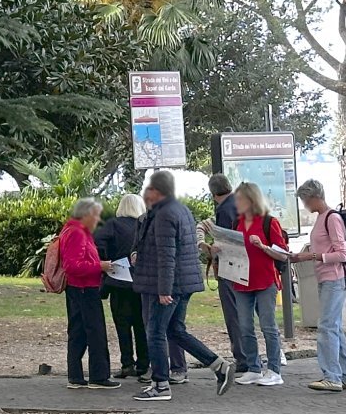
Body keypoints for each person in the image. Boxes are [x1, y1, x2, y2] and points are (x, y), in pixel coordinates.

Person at [133, 170, 235, 402]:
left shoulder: (164, 214)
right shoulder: (180, 210)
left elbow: (167, 254)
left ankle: (160, 384)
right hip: (184, 281)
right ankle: (218, 365)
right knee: (175, 330)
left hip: (169, 284)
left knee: (155, 332)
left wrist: (164, 289)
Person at [292, 180, 346, 392]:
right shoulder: (322, 218)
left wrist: (312, 256)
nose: (304, 205)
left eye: (305, 200)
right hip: (326, 278)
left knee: (327, 327)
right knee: (334, 327)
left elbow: (342, 254)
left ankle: (332, 376)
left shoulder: (332, 218)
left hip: (334, 279)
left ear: (313, 197)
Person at [231, 182, 288, 386]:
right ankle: (253, 368)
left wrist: (263, 246)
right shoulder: (237, 223)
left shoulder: (268, 222)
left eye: (240, 199)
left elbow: (283, 254)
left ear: (251, 200)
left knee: (268, 325)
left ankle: (274, 369)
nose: (236, 203)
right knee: (245, 326)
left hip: (265, 280)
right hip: (242, 280)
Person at [60, 198, 118, 389]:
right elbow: (72, 266)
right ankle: (98, 376)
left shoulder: (72, 230)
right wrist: (100, 266)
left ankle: (75, 376)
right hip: (85, 287)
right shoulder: (77, 233)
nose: (97, 219)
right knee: (95, 331)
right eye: (95, 215)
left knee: (78, 331)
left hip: (77, 288)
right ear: (85, 215)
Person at [95, 194, 149, 381]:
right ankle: (144, 363)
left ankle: (127, 363)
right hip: (141, 281)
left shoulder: (112, 225)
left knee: (122, 325)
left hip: (118, 281)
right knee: (141, 324)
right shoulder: (144, 225)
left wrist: (108, 259)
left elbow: (97, 243)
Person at [206, 174, 248, 375]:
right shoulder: (240, 203)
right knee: (246, 311)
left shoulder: (223, 210)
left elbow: (224, 241)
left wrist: (212, 250)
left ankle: (242, 356)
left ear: (213, 193)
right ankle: (251, 354)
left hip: (230, 268)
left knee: (233, 313)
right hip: (246, 265)